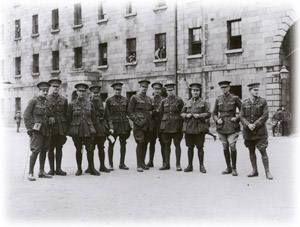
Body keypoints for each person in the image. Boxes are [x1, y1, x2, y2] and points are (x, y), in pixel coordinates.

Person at [240, 82, 273, 180]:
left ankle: (267, 172)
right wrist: (247, 124)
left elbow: (265, 115)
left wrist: (255, 124)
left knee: (263, 150)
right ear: (250, 91)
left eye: (257, 90)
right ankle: (254, 170)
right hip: (248, 132)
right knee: (251, 151)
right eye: (255, 90)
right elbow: (241, 116)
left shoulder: (263, 101)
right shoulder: (244, 103)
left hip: (260, 132)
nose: (257, 91)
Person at [67, 83, 100, 176]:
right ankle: (79, 169)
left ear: (85, 92)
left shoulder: (90, 104)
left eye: (83, 91)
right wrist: (70, 130)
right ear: (76, 92)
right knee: (78, 149)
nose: (81, 93)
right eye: (79, 91)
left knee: (90, 149)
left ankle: (91, 168)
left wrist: (95, 130)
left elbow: (93, 118)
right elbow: (68, 118)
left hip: (88, 130)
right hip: (76, 130)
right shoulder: (72, 104)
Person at [23, 81, 52, 181]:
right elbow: (26, 115)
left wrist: (51, 118)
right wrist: (30, 129)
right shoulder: (33, 101)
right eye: (43, 91)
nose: (45, 93)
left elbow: (48, 114)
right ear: (39, 91)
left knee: (44, 150)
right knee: (35, 151)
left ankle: (42, 171)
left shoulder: (47, 102)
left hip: (46, 130)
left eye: (47, 91)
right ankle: (30, 172)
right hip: (37, 131)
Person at [212, 81, 241, 176]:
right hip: (222, 126)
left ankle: (234, 168)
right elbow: (214, 113)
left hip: (232, 125)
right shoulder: (218, 99)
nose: (224, 89)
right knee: (225, 146)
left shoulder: (235, 98)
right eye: (222, 88)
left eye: (226, 87)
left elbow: (243, 110)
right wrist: (217, 120)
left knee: (232, 146)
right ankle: (228, 167)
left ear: (229, 88)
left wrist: (236, 118)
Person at [181, 83, 211, 173]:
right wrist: (186, 115)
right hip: (189, 128)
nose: (195, 92)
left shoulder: (203, 102)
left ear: (199, 92)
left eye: (197, 91)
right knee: (190, 147)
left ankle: (201, 166)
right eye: (194, 91)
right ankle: (190, 165)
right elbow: (181, 113)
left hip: (199, 128)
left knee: (200, 147)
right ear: (191, 91)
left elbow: (209, 113)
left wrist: (200, 115)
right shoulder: (187, 102)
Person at [128, 79, 154, 172]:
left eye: (146, 87)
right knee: (140, 143)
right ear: (139, 87)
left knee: (146, 143)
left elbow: (151, 110)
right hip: (139, 126)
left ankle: (143, 163)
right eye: (143, 87)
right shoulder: (134, 98)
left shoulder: (149, 99)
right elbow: (130, 112)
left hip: (147, 125)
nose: (144, 88)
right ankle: (139, 164)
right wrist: (137, 121)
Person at [105, 82, 131, 170]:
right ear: (113, 90)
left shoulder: (125, 100)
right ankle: (110, 164)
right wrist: (110, 127)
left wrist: (130, 125)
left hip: (123, 125)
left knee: (123, 144)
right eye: (116, 90)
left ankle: (122, 163)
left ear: (121, 90)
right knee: (111, 144)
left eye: (119, 90)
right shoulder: (109, 100)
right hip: (113, 126)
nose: (118, 91)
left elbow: (129, 113)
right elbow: (107, 115)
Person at [159, 82, 184, 171]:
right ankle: (166, 164)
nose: (170, 92)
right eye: (168, 90)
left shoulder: (179, 100)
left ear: (174, 90)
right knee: (166, 145)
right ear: (166, 91)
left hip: (176, 126)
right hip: (166, 126)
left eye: (171, 90)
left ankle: (178, 164)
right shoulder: (163, 101)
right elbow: (161, 114)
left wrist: (181, 126)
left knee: (177, 145)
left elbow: (182, 113)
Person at [46, 78, 68, 176]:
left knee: (59, 148)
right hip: (50, 127)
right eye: (53, 86)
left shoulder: (64, 99)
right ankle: (51, 169)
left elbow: (66, 114)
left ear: (59, 88)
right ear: (50, 87)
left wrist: (66, 129)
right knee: (50, 148)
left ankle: (58, 169)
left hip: (60, 128)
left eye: (57, 87)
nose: (55, 88)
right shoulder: (46, 99)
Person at [89, 84, 110, 173]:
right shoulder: (88, 103)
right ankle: (90, 167)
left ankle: (102, 166)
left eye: (97, 93)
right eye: (94, 93)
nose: (96, 95)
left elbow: (107, 117)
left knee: (101, 147)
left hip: (101, 129)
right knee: (90, 148)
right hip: (91, 129)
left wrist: (110, 127)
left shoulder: (103, 104)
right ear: (91, 93)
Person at [146, 82, 165, 168]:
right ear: (153, 89)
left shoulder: (163, 100)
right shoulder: (150, 99)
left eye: (158, 89)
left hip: (161, 124)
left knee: (163, 143)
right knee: (152, 143)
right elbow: (147, 111)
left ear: (160, 90)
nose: (157, 90)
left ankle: (164, 162)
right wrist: (153, 112)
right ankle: (150, 161)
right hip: (152, 124)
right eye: (155, 89)